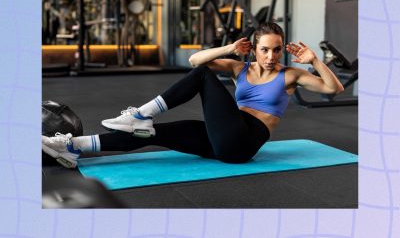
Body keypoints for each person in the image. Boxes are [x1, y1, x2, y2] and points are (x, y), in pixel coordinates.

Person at [42, 22, 344, 169]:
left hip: (244, 142)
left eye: (277, 49)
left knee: (202, 78)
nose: (271, 55)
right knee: (155, 134)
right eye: (264, 49)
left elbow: (334, 89)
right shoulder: (239, 67)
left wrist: (315, 60)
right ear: (253, 47)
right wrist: (228, 49)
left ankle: (139, 115)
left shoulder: (289, 76)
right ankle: (74, 147)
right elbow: (194, 60)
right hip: (225, 136)